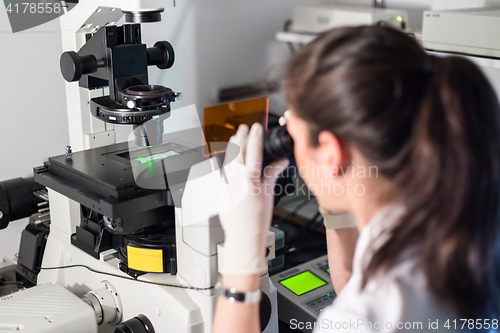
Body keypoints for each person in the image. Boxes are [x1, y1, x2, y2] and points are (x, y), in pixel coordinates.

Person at [211, 26, 500, 333]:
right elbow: (352, 284)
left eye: (291, 132)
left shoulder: (364, 319)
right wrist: (335, 186)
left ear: (332, 152)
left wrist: (242, 259)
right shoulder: (463, 227)